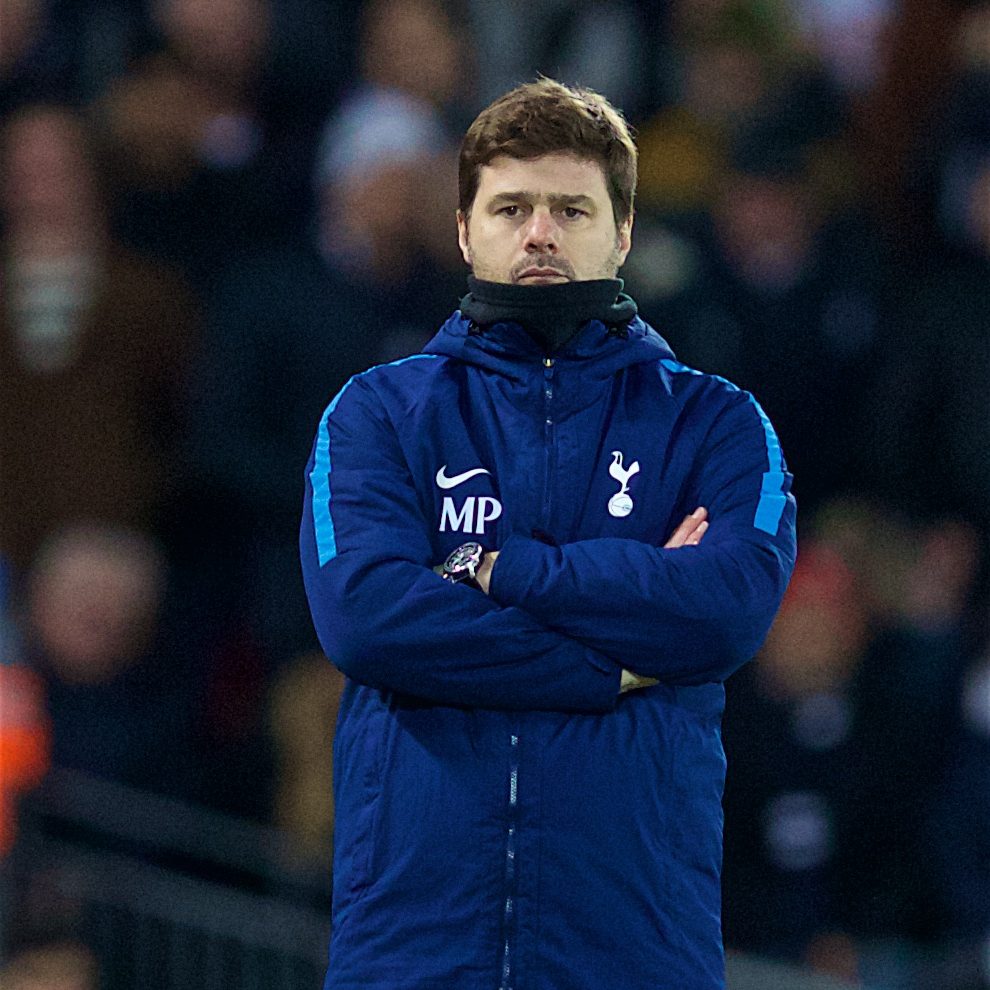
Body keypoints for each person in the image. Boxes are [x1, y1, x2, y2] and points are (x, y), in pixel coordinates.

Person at [300, 78, 797, 990]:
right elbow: (366, 620)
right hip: (414, 949)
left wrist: (498, 570)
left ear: (624, 231)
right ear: (463, 229)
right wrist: (609, 658)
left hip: (635, 948)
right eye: (511, 207)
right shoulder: (375, 414)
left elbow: (724, 613)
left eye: (572, 208)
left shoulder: (716, 424)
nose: (540, 233)